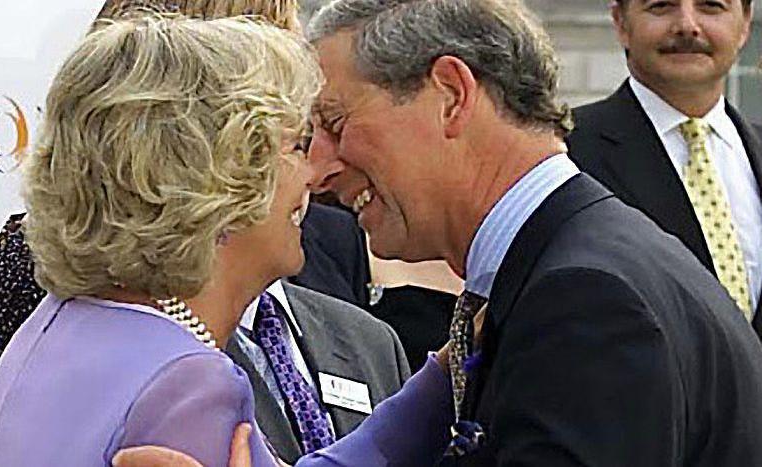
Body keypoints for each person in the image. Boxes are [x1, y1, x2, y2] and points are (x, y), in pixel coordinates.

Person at [0, 1, 403, 465]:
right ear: (221, 177)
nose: (312, 174)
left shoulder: (61, 323)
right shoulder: (189, 381)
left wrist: (440, 379)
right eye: (296, 145)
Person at [299, 0, 762, 465]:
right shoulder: (576, 268)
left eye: (337, 125)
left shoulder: (585, 300)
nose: (317, 170)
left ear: (452, 95)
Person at [566, 0, 762, 336]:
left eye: (711, 6)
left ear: (745, 23)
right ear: (621, 22)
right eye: (662, 6)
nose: (687, 25)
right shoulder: (565, 154)